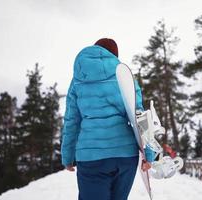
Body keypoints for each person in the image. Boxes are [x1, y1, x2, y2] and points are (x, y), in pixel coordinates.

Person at [61, 38, 146, 200]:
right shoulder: (124, 76)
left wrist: (67, 156)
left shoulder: (78, 79)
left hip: (91, 156)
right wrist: (148, 153)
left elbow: (72, 121)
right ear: (114, 55)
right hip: (126, 155)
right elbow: (138, 116)